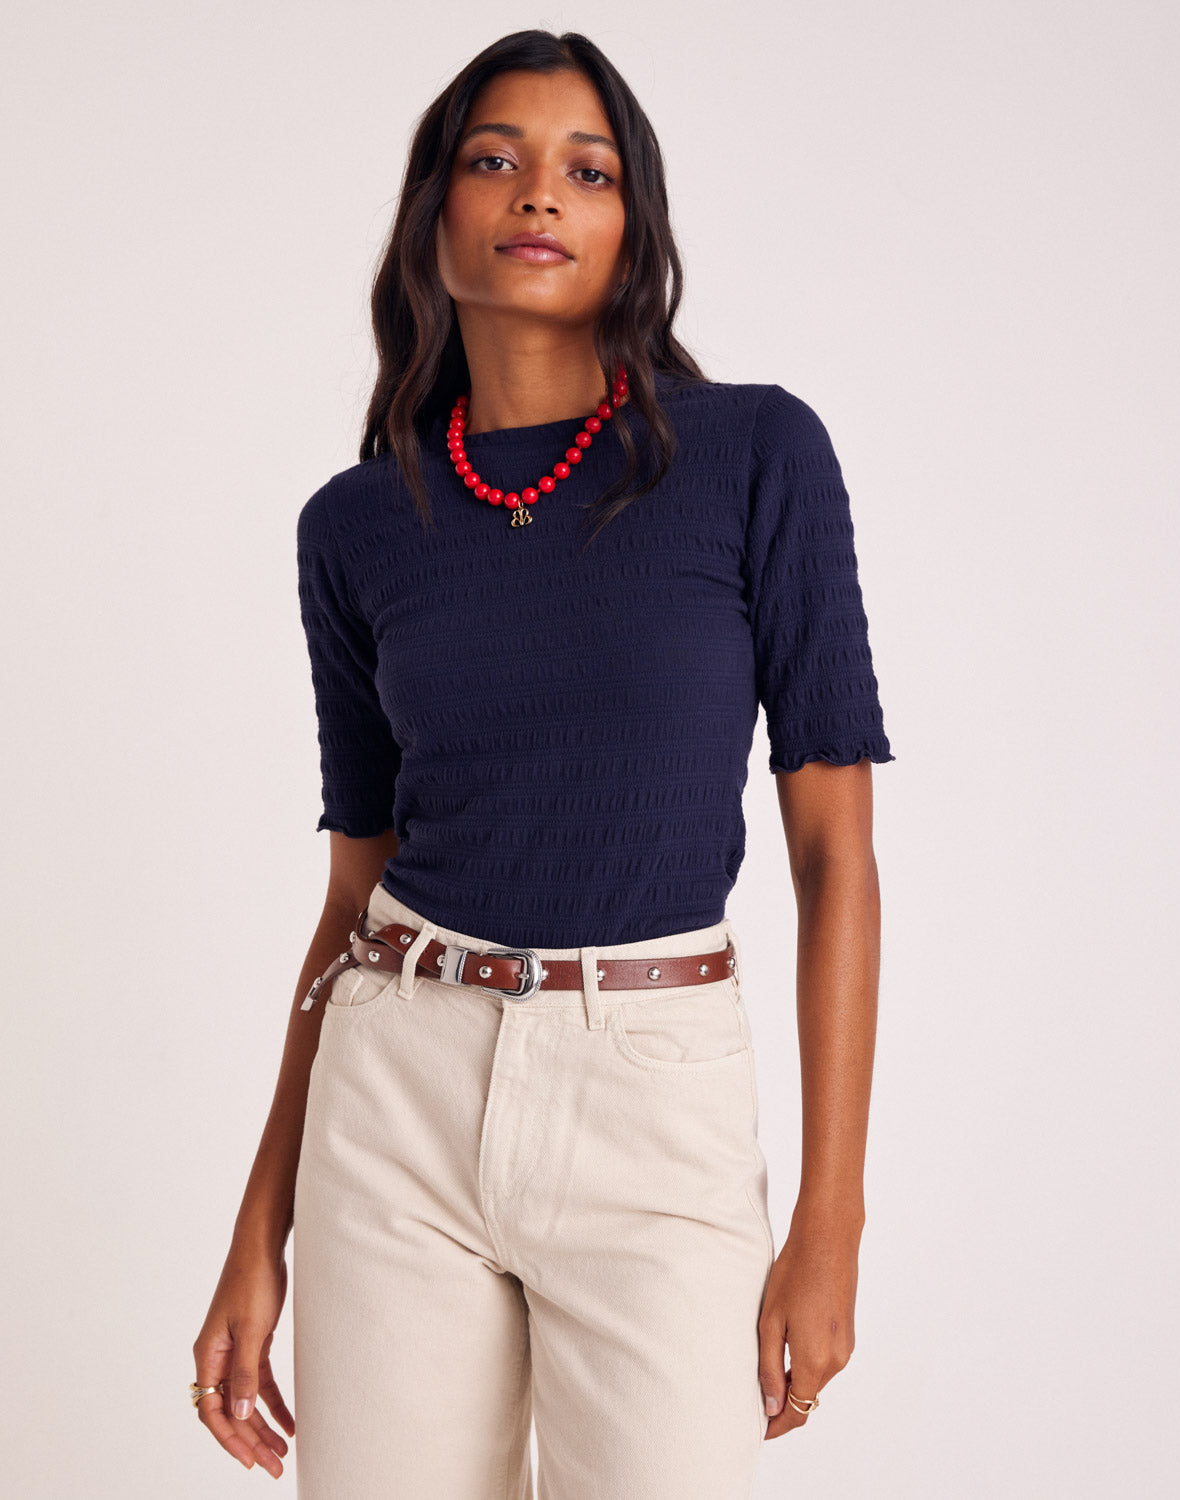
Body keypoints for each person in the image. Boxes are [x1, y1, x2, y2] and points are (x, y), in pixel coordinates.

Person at [190, 28, 894, 1499]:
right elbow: (353, 898)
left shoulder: (754, 457)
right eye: (495, 158)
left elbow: (837, 858)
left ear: (635, 223)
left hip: (655, 1094)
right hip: (394, 1096)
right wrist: (262, 1231)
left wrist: (830, 1222)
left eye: (589, 169)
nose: (539, 194)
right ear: (433, 213)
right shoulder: (355, 527)